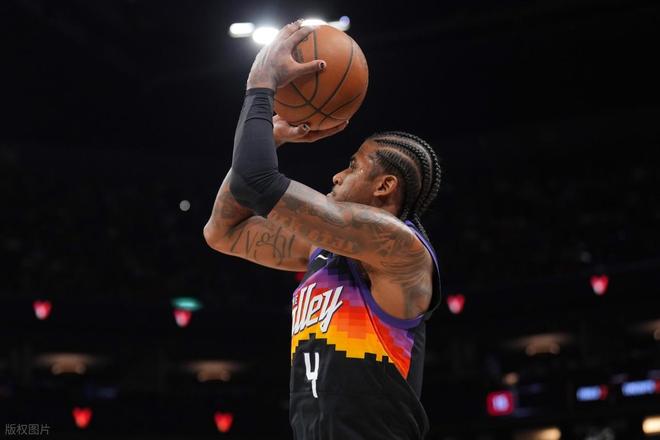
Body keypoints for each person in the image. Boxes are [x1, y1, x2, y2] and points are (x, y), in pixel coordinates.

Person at [204, 20, 442, 440]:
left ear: (385, 186)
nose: (336, 175)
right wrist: (272, 138)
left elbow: (256, 182)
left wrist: (260, 86)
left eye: (353, 166)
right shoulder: (323, 250)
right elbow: (222, 231)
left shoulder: (399, 248)